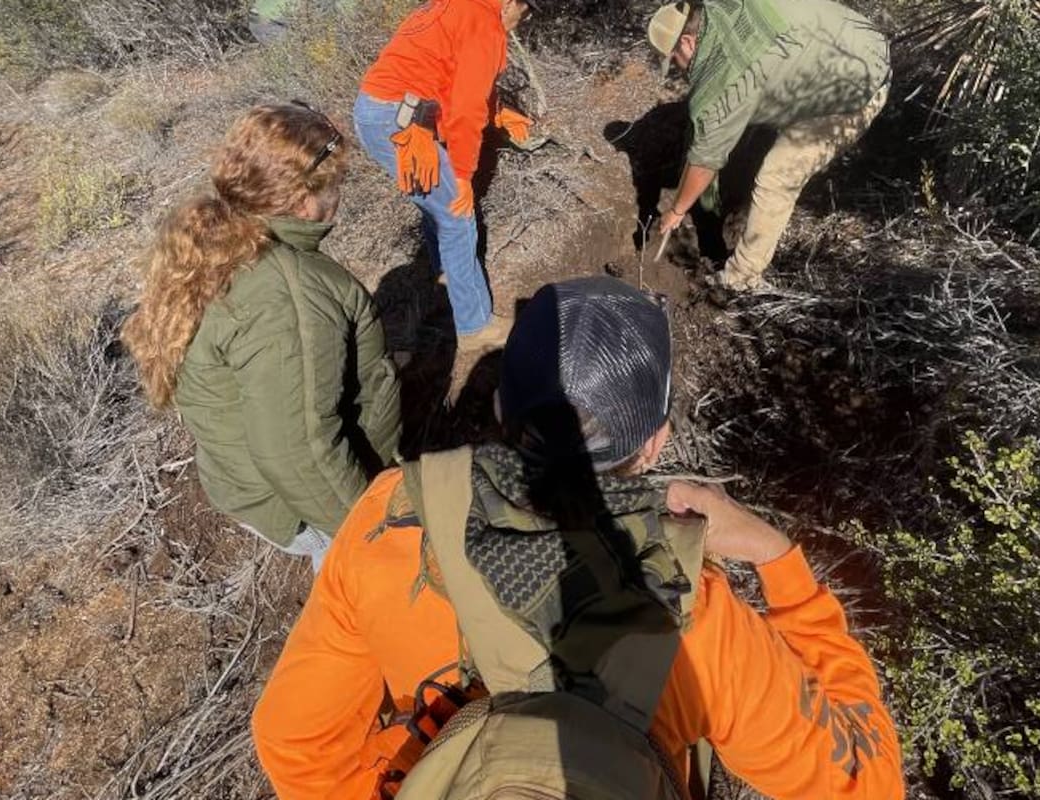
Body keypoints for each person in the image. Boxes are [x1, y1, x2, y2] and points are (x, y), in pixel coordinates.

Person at [251, 276, 904, 799]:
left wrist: (416, 770)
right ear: (654, 446)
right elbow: (867, 782)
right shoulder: (693, 620)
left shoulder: (391, 516)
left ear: (502, 407)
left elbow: (292, 742)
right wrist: (777, 557)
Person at [122, 102, 402, 571]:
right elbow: (301, 454)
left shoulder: (227, 237)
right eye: (336, 183)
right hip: (310, 498)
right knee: (360, 580)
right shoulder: (286, 296)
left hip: (249, 480)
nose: (340, 195)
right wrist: (374, 535)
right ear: (301, 202)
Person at [650, 0, 891, 293]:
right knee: (747, 112)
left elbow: (704, 162)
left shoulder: (727, 82)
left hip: (858, 88)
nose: (676, 67)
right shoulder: (724, 7)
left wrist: (676, 211)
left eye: (673, 58)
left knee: (776, 176)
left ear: (687, 42)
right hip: (856, 38)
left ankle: (742, 279)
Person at [352, 0, 536, 351]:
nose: (517, 25)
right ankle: (473, 325)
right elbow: (465, 111)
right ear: (511, 3)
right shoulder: (485, 23)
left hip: (382, 113)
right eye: (522, 16)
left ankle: (448, 281)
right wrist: (464, 176)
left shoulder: (463, 6)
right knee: (456, 213)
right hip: (399, 121)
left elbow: (458, 74)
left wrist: (497, 112)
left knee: (439, 207)